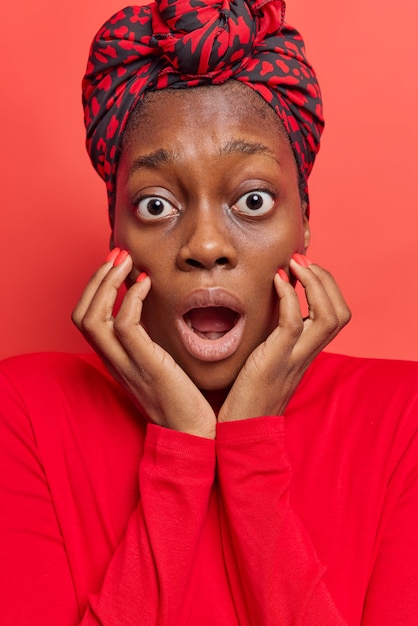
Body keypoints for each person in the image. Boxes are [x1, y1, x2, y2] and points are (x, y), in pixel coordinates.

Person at [0, 1, 417, 624]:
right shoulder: (21, 413)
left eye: (252, 199)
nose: (205, 247)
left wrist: (249, 457)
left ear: (305, 220)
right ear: (111, 229)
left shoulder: (404, 419)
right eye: (155, 206)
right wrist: (182, 454)